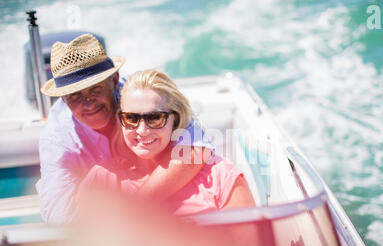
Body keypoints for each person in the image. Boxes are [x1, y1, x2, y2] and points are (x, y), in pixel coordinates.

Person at [37, 33, 214, 224]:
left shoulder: (145, 93)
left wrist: (134, 208)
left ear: (114, 79)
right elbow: (59, 216)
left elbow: (195, 148)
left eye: (95, 89)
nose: (87, 103)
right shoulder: (56, 138)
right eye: (74, 96)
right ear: (62, 98)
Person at [78, 69, 255, 215]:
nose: (142, 130)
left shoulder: (221, 176)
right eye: (131, 118)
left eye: (154, 118)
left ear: (175, 120)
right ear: (120, 120)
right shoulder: (101, 180)